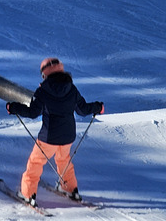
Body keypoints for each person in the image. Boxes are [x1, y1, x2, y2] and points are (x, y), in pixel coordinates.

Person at [6, 57, 104, 205]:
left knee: (36, 163)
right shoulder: (72, 88)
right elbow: (83, 110)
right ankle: (70, 189)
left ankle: (27, 194)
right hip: (68, 136)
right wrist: (98, 107)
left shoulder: (42, 91)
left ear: (45, 74)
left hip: (48, 137)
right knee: (64, 161)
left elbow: (33, 113)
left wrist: (13, 108)